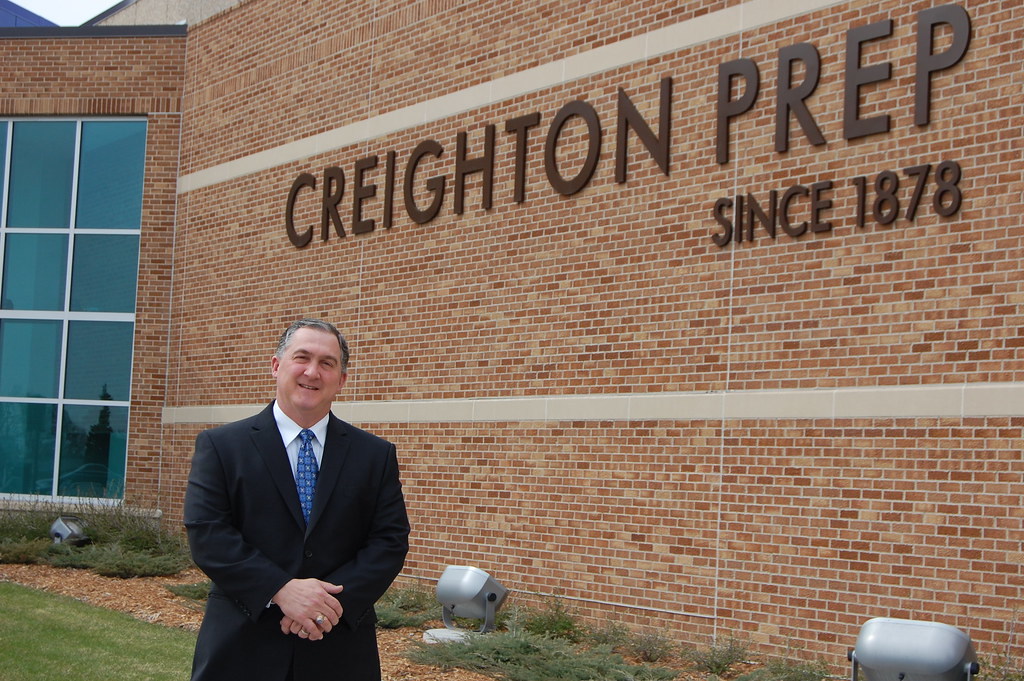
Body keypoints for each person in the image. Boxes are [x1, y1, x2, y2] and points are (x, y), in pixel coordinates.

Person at [184, 318, 410, 681]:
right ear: (276, 365)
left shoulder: (375, 455)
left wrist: (325, 607)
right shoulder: (223, 447)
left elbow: (389, 541)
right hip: (241, 648)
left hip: (339, 652)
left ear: (342, 380)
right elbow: (208, 534)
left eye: (327, 363)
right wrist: (281, 590)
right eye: (301, 357)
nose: (312, 372)